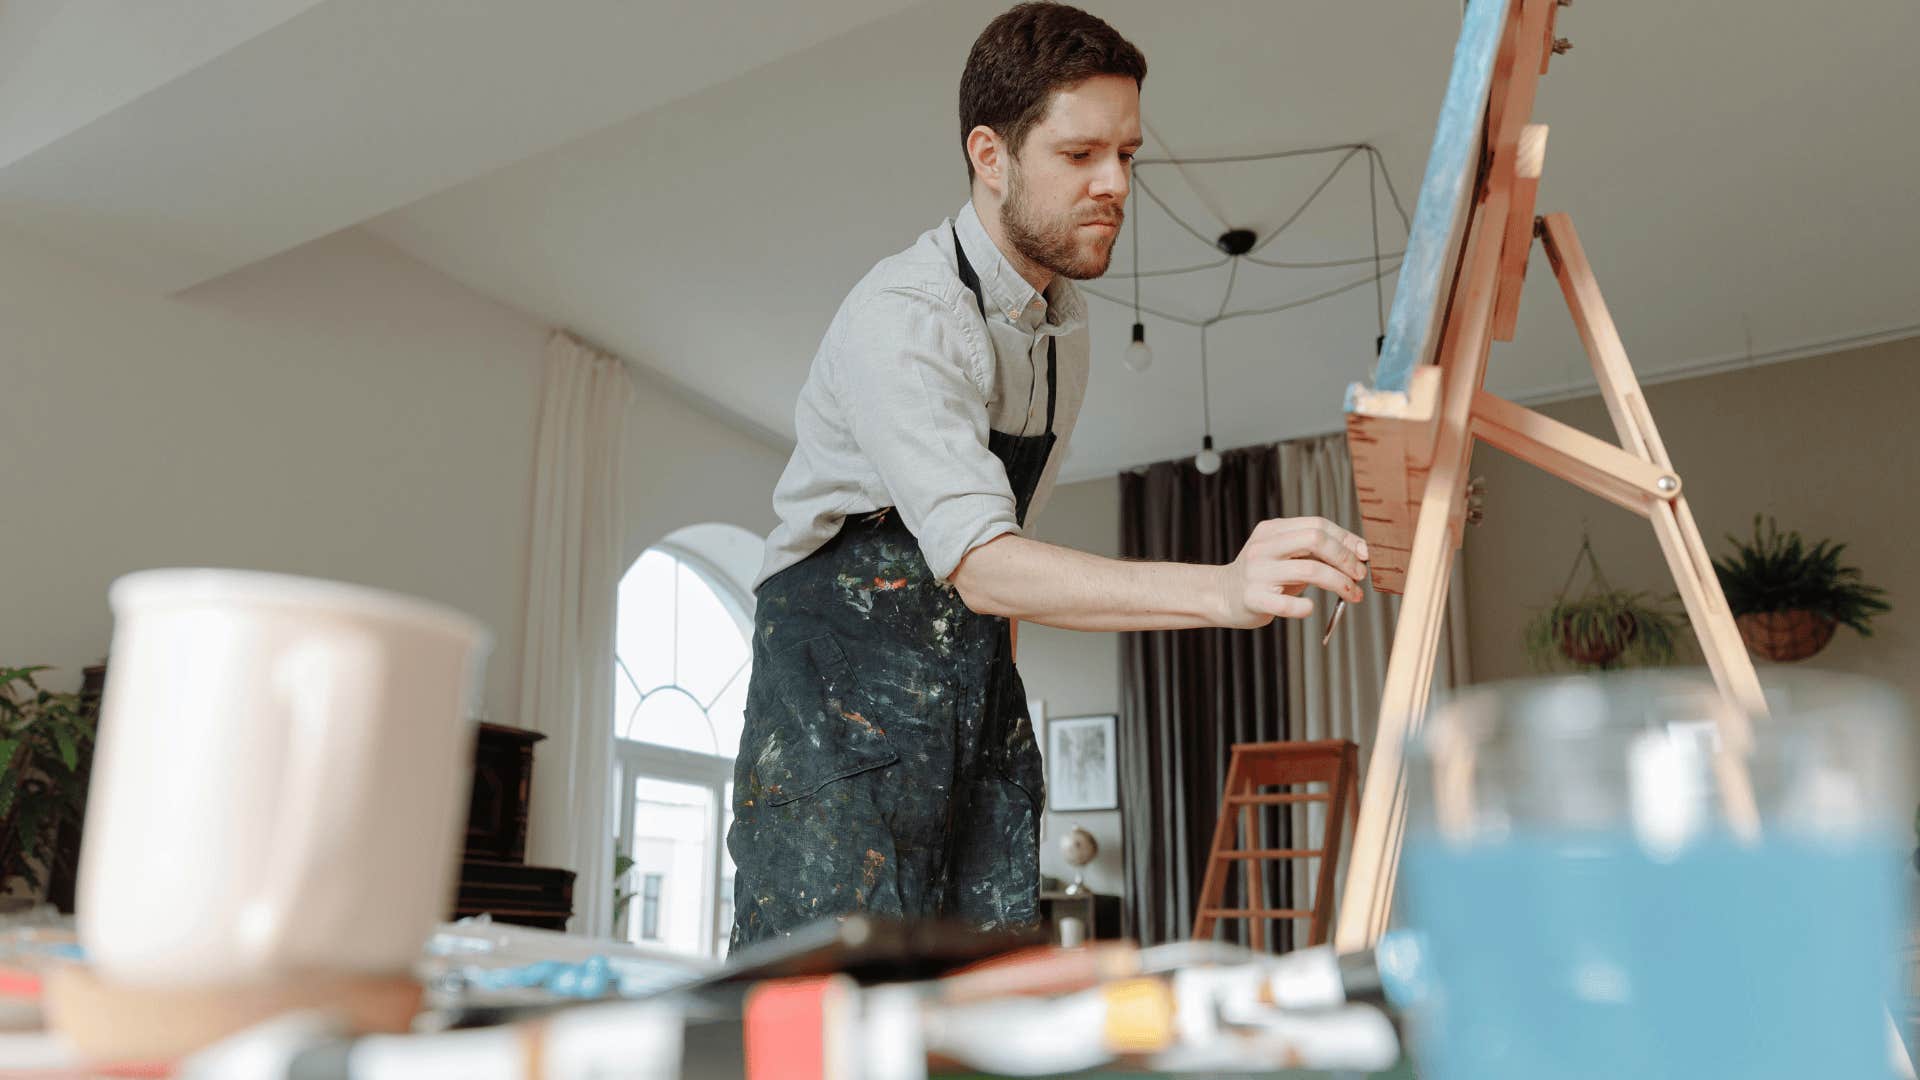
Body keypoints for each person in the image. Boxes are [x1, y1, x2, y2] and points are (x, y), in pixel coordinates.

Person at [727, 1, 1368, 949]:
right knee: (825, 1024)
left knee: (982, 1010)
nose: (1115, 184)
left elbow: (1000, 582)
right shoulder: (904, 315)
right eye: (1079, 156)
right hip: (834, 734)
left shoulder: (1065, 335)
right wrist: (1227, 587)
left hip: (973, 724)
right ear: (990, 155)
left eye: (1127, 154)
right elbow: (984, 562)